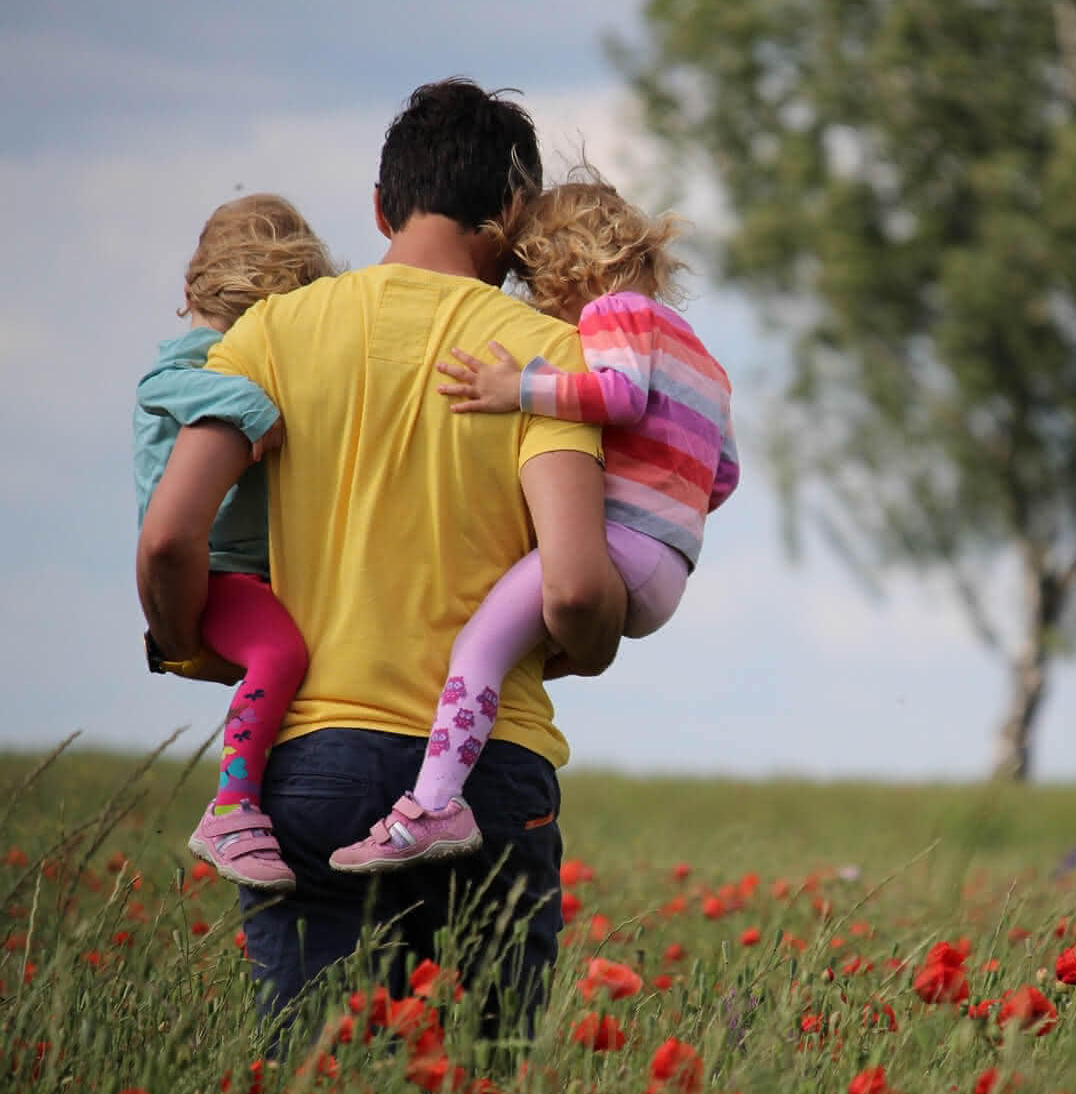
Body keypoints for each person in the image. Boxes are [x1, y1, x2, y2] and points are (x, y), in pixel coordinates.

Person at [136, 79, 627, 1030]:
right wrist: (595, 642)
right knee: (482, 1080)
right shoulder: (547, 358)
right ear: (515, 213)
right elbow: (573, 589)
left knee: (316, 1074)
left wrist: (190, 640)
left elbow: (167, 535)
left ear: (379, 207)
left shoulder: (271, 332)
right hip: (488, 773)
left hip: (311, 764)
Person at [329, 169, 740, 873]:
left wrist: (518, 388)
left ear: (569, 267)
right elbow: (723, 476)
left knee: (477, 649)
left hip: (619, 545)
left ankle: (433, 806)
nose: (539, 303)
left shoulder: (615, 312)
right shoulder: (704, 358)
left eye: (537, 283)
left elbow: (619, 396)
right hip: (669, 567)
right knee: (516, 649)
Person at [134, 194, 335, 892]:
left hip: (249, 570)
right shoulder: (200, 358)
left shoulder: (230, 351)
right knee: (281, 654)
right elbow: (161, 384)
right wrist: (251, 405)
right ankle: (232, 806)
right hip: (216, 570)